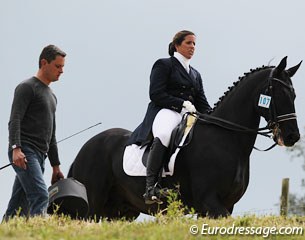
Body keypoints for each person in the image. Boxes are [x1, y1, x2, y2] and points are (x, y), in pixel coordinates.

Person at [127, 30, 211, 204]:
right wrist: (181, 104)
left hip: (188, 114)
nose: (193, 47)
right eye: (189, 43)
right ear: (176, 45)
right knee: (164, 134)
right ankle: (151, 187)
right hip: (165, 110)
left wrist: (213, 117)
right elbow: (156, 93)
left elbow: (202, 102)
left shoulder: (195, 74)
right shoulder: (164, 65)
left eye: (194, 44)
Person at [3, 45, 66, 221]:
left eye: (62, 67)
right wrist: (16, 148)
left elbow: (51, 134)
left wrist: (56, 166)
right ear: (44, 63)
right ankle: (39, 233)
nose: (61, 71)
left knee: (18, 205)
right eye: (57, 66)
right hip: (24, 152)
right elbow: (14, 120)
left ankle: (6, 232)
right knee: (40, 196)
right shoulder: (26, 87)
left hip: (40, 156)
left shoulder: (52, 96)